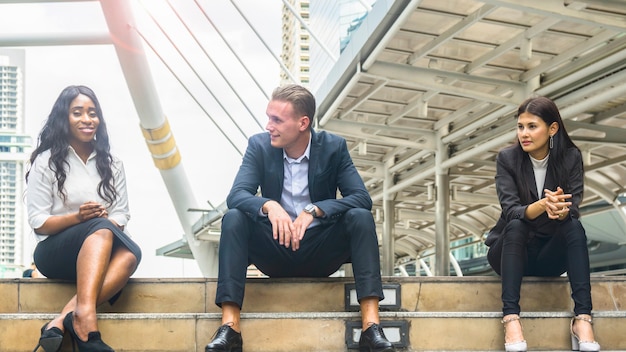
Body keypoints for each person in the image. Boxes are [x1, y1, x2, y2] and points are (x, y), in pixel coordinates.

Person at [205, 84, 395, 352]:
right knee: (234, 217)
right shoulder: (258, 146)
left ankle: (371, 328)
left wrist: (314, 210)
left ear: (303, 122)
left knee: (360, 217)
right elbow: (236, 195)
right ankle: (230, 327)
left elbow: (362, 198)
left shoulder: (333, 147)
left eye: (277, 120)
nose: (269, 125)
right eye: (269, 117)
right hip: (274, 250)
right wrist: (270, 205)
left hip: (320, 250)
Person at [26, 85, 142, 352]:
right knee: (103, 231)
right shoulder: (46, 162)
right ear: (64, 119)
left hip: (102, 248)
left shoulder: (113, 164)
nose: (87, 119)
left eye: (92, 113)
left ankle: (68, 317)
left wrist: (102, 223)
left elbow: (121, 214)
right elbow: (39, 221)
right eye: (77, 113)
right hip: (55, 252)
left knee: (127, 255)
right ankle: (87, 324)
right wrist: (79, 218)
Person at [485, 96, 600, 352]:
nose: (524, 133)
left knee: (573, 227)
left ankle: (583, 319)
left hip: (549, 256)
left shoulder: (570, 158)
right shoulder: (507, 158)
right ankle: (511, 318)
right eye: (520, 126)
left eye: (532, 126)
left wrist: (560, 212)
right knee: (516, 225)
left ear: (552, 129)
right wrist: (542, 206)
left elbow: (573, 208)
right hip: (509, 252)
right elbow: (511, 210)